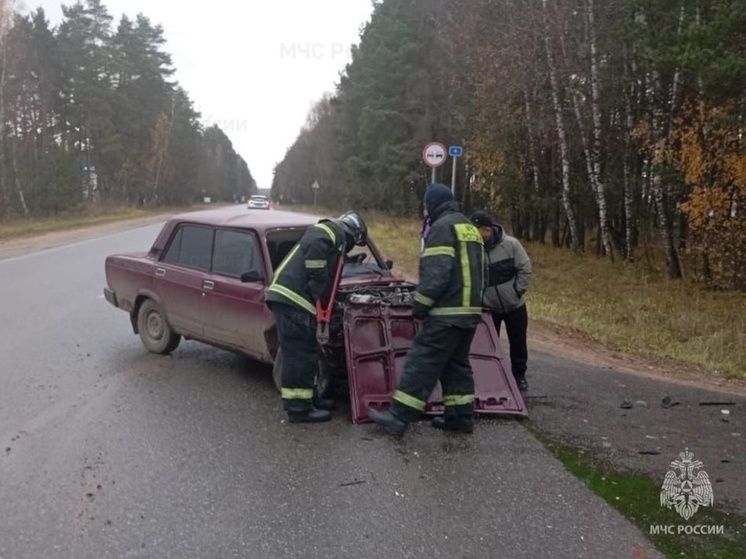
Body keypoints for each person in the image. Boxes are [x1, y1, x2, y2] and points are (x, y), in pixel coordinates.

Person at [368, 183, 486, 436]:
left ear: (433, 204)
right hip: (469, 312)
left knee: (422, 360)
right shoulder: (470, 228)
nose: (424, 212)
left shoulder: (442, 228)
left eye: (425, 206)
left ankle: (399, 417)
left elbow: (436, 275)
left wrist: (419, 306)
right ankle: (460, 417)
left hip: (446, 313)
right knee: (457, 365)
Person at [266, 211, 368, 423]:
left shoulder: (336, 238)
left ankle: (311, 399)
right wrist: (318, 286)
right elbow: (315, 246)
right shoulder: (330, 230)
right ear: (353, 232)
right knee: (298, 355)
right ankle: (298, 409)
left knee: (309, 353)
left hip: (296, 302)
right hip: (292, 299)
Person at [469, 210, 532, 393]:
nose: (472, 234)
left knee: (518, 344)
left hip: (515, 306)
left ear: (487, 230)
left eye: (476, 230)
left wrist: (517, 291)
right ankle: (490, 379)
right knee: (488, 347)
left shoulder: (511, 245)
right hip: (489, 310)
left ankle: (519, 377)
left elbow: (525, 268)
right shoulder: (473, 249)